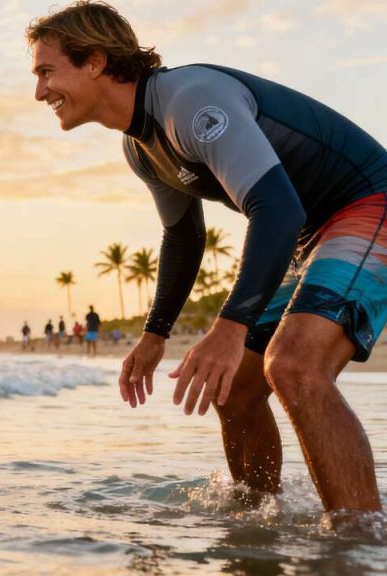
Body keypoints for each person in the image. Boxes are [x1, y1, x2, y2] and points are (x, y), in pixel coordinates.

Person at [28, 1, 387, 519]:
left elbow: (276, 209)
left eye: (46, 71)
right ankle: (258, 526)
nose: (39, 91)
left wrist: (230, 326)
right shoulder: (140, 145)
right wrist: (154, 334)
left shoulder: (190, 102)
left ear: (96, 62)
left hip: (370, 203)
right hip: (312, 230)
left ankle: (359, 546)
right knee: (235, 387)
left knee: (295, 365)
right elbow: (183, 237)